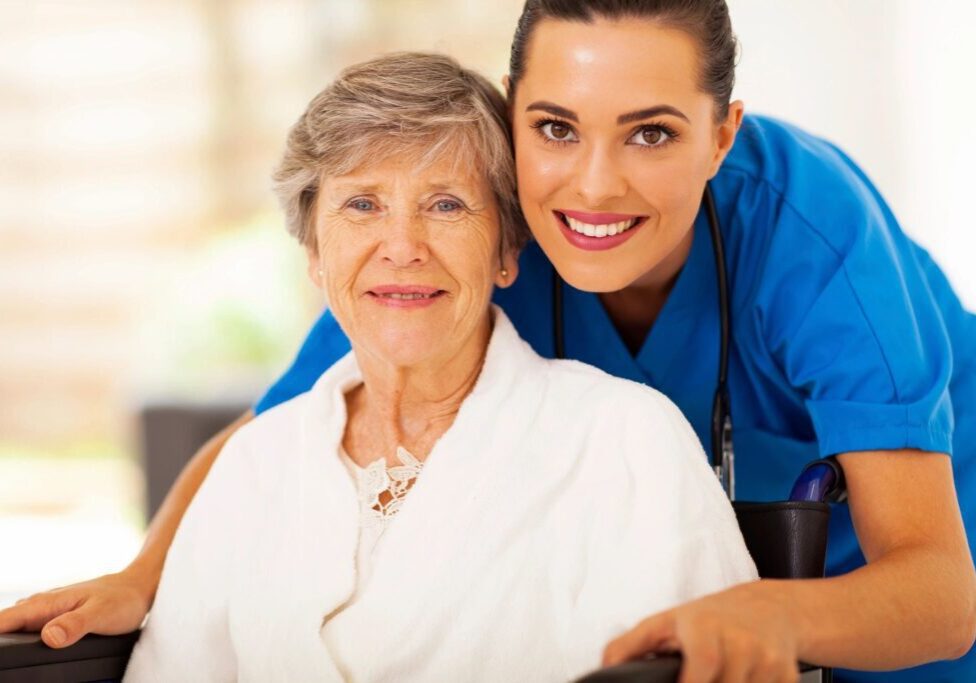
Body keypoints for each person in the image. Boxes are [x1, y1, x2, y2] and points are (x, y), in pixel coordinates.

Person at [2, 0, 974, 681]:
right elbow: (278, 434)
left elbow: (936, 589)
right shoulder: (481, 217)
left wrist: (778, 609)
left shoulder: (813, 237)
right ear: (514, 112)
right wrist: (141, 580)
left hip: (918, 558)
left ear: (721, 136)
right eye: (555, 126)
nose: (592, 187)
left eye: (651, 134)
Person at [119, 52, 756, 681]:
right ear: (314, 253)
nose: (402, 248)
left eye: (446, 205)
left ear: (508, 252)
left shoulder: (623, 439)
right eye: (362, 205)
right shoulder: (254, 463)